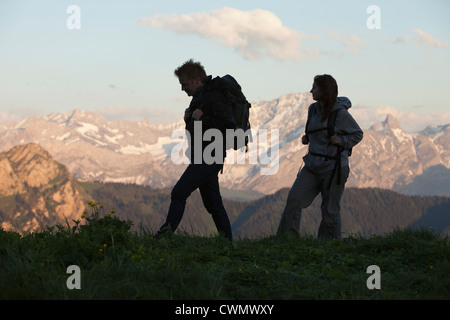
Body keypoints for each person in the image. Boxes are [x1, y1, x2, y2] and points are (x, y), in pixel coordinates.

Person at [157, 59, 235, 241]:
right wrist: (191, 119)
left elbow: (228, 126)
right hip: (204, 155)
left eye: (184, 84)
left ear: (196, 80)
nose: (182, 89)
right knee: (213, 204)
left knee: (179, 192)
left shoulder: (214, 96)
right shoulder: (201, 97)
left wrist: (202, 118)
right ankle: (227, 243)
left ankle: (163, 237)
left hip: (210, 156)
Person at [277, 74, 363, 239]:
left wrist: (342, 140)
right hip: (312, 165)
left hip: (334, 168)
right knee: (294, 198)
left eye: (314, 87)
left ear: (324, 91)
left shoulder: (340, 114)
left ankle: (329, 247)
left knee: (330, 209)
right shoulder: (313, 109)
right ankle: (286, 240)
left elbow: (358, 134)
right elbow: (315, 131)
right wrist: (307, 138)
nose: (311, 91)